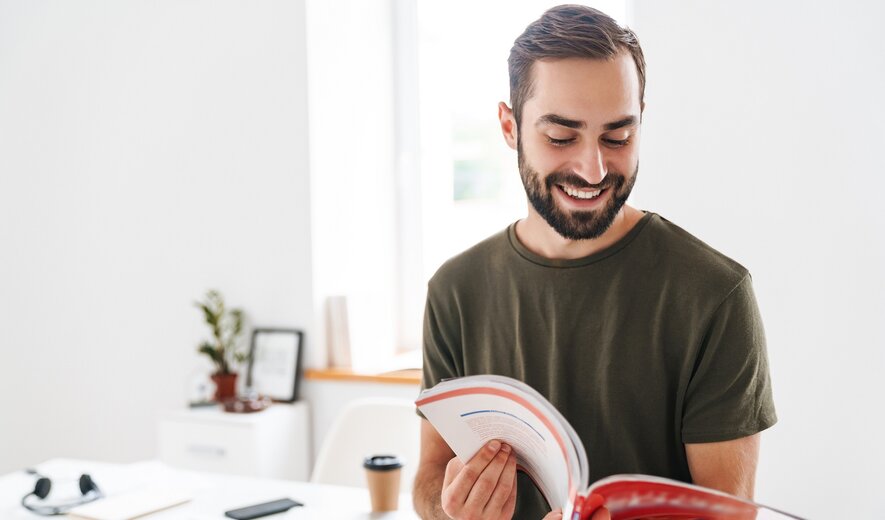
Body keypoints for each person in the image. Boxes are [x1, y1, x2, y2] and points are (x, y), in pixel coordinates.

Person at [412, 4, 777, 520]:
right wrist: (450, 507)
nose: (593, 168)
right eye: (561, 137)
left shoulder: (714, 295)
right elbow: (429, 475)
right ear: (509, 127)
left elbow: (731, 513)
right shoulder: (455, 290)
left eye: (618, 136)